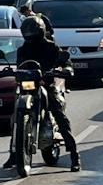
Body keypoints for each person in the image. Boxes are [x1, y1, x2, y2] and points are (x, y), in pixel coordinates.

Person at [15, 15, 81, 172]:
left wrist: (65, 69)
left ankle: (74, 155)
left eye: (33, 34)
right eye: (27, 35)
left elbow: (65, 62)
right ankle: (14, 152)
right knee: (15, 115)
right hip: (28, 86)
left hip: (47, 84)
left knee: (60, 116)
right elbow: (19, 67)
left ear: (40, 31)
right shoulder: (22, 49)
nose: (30, 38)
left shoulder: (52, 47)